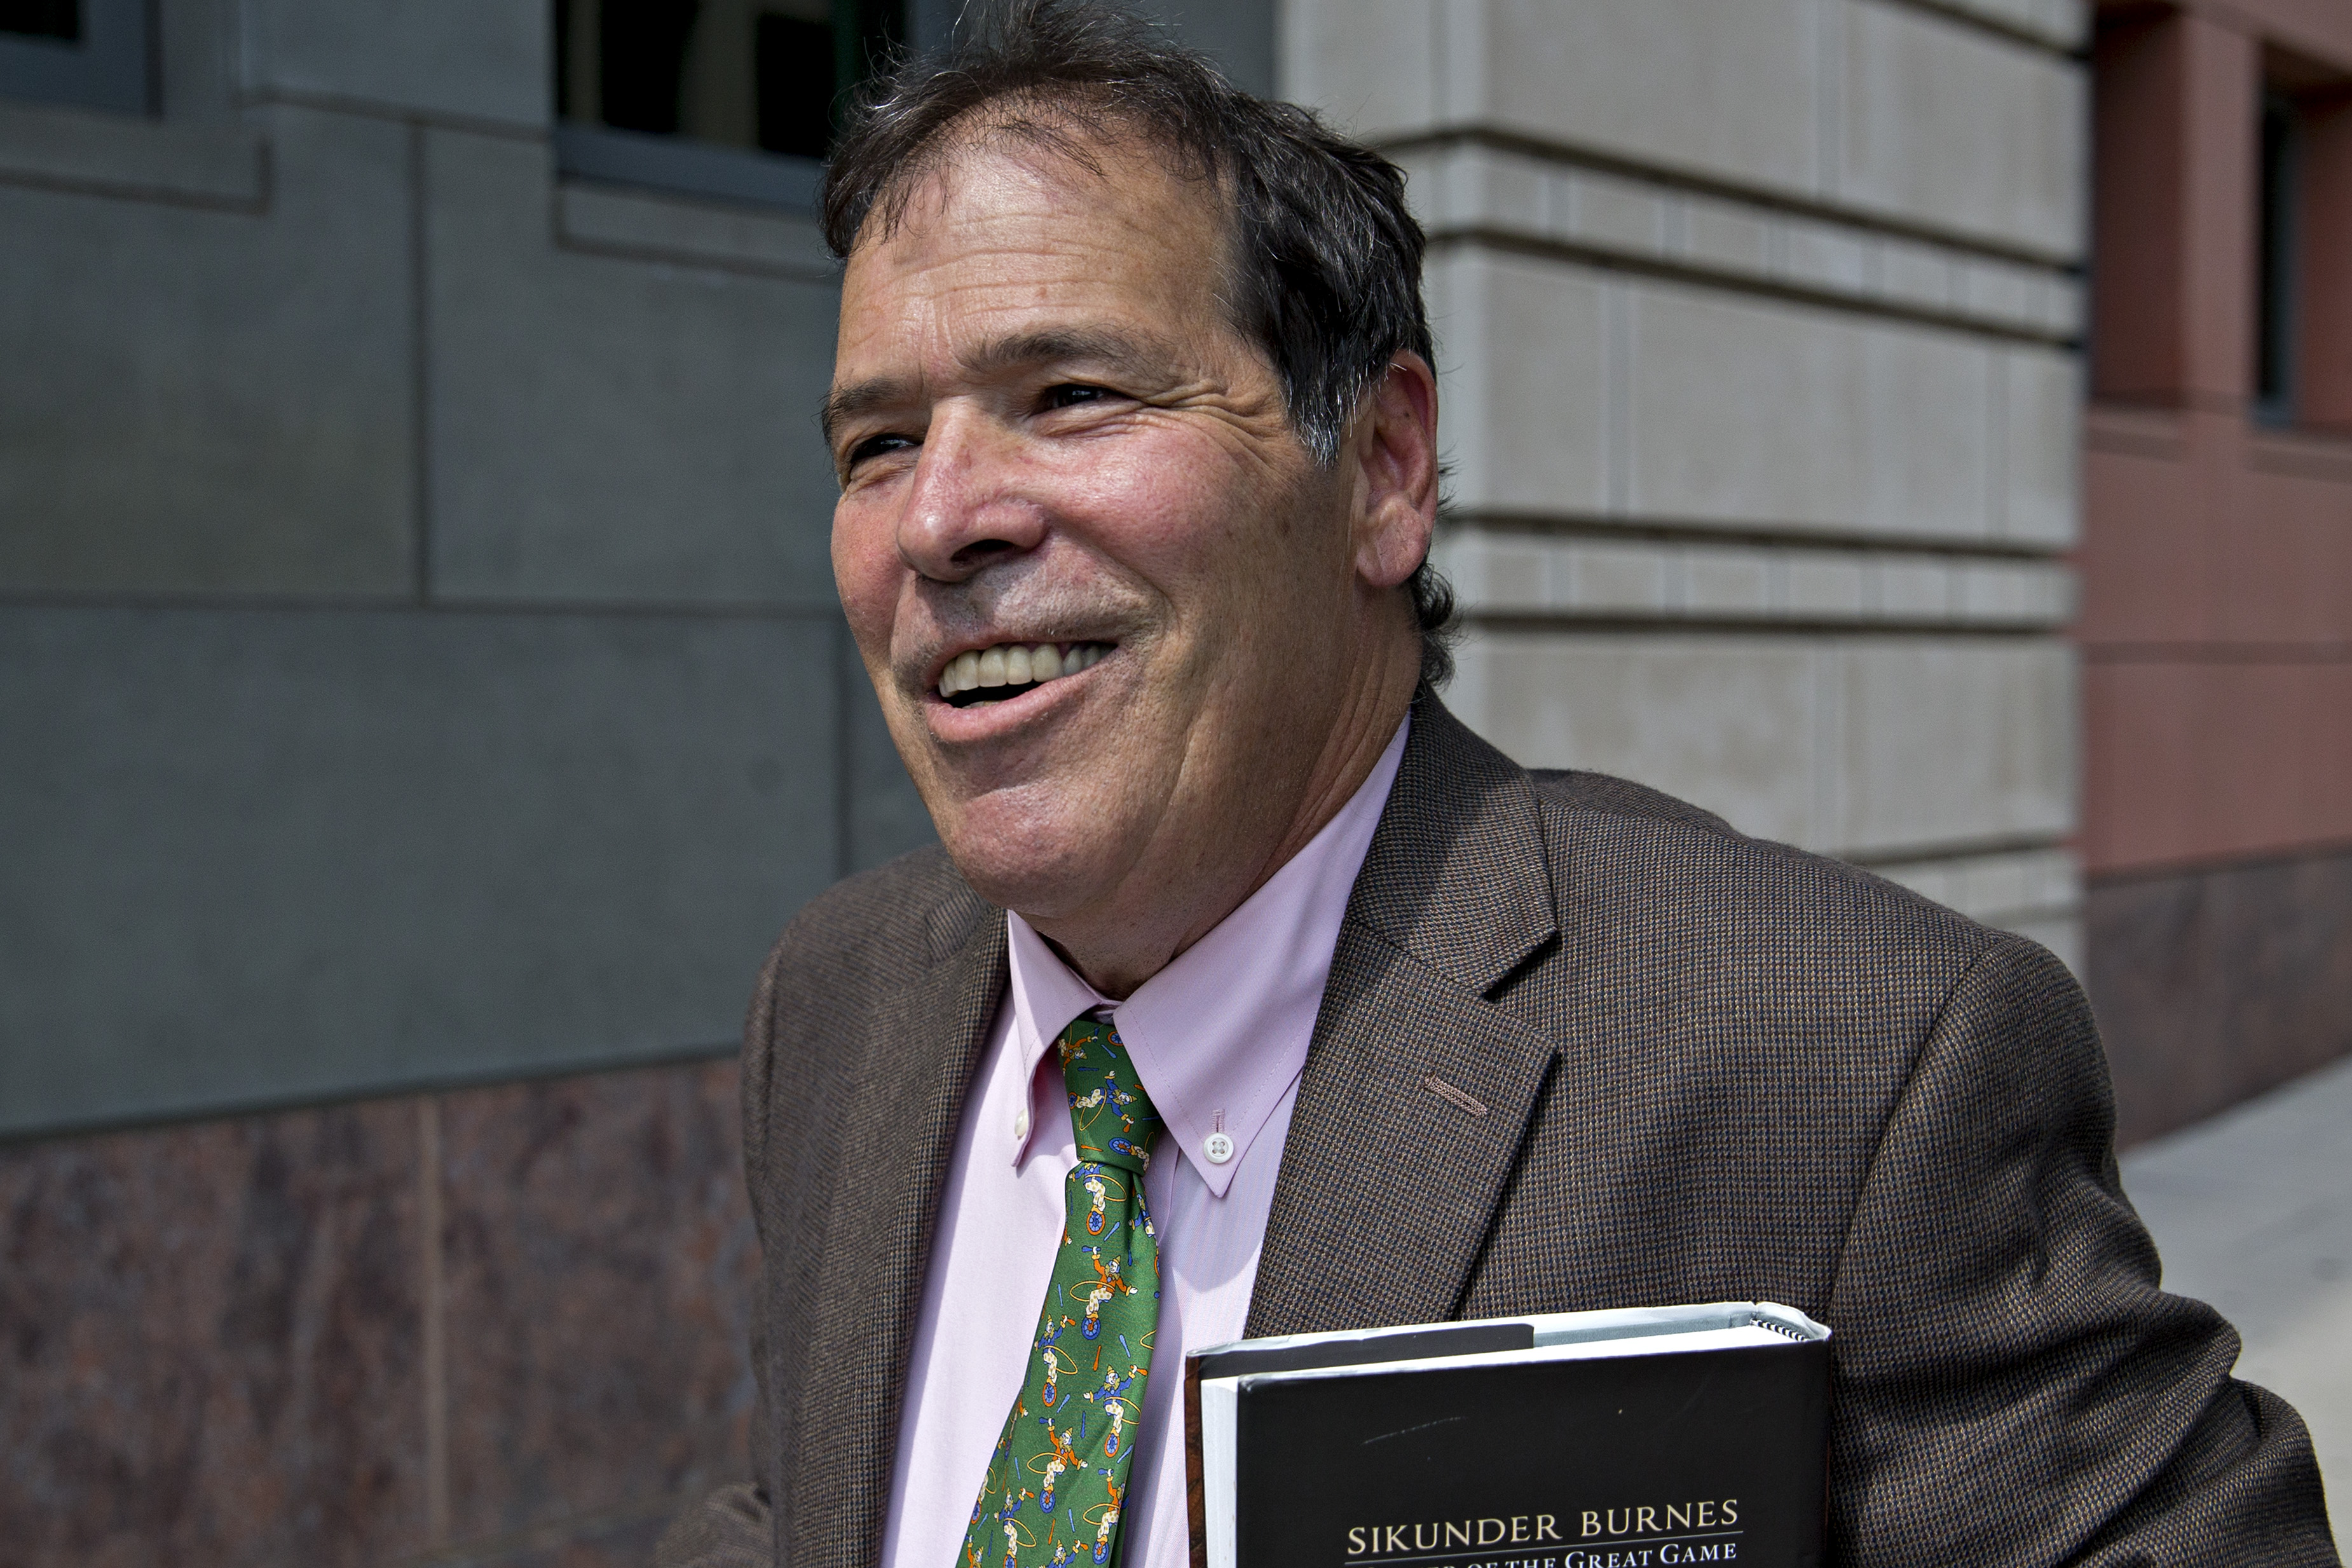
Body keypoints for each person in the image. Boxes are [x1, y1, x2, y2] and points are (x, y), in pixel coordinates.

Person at [659, 4, 2337, 1565]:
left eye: (1070, 395)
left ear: (1382, 469)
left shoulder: (1854, 1071)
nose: (940, 520)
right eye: (876, 443)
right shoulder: (839, 1000)